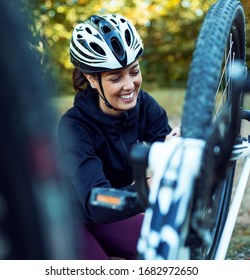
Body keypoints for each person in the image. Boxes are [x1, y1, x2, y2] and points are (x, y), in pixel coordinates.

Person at [58, 14, 180, 260]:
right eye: (115, 78)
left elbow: (164, 145)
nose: (129, 85)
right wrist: (149, 188)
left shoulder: (144, 105)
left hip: (114, 213)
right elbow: (96, 202)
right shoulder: (74, 127)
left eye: (134, 71)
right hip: (69, 219)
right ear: (93, 79)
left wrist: (176, 148)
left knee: (167, 250)